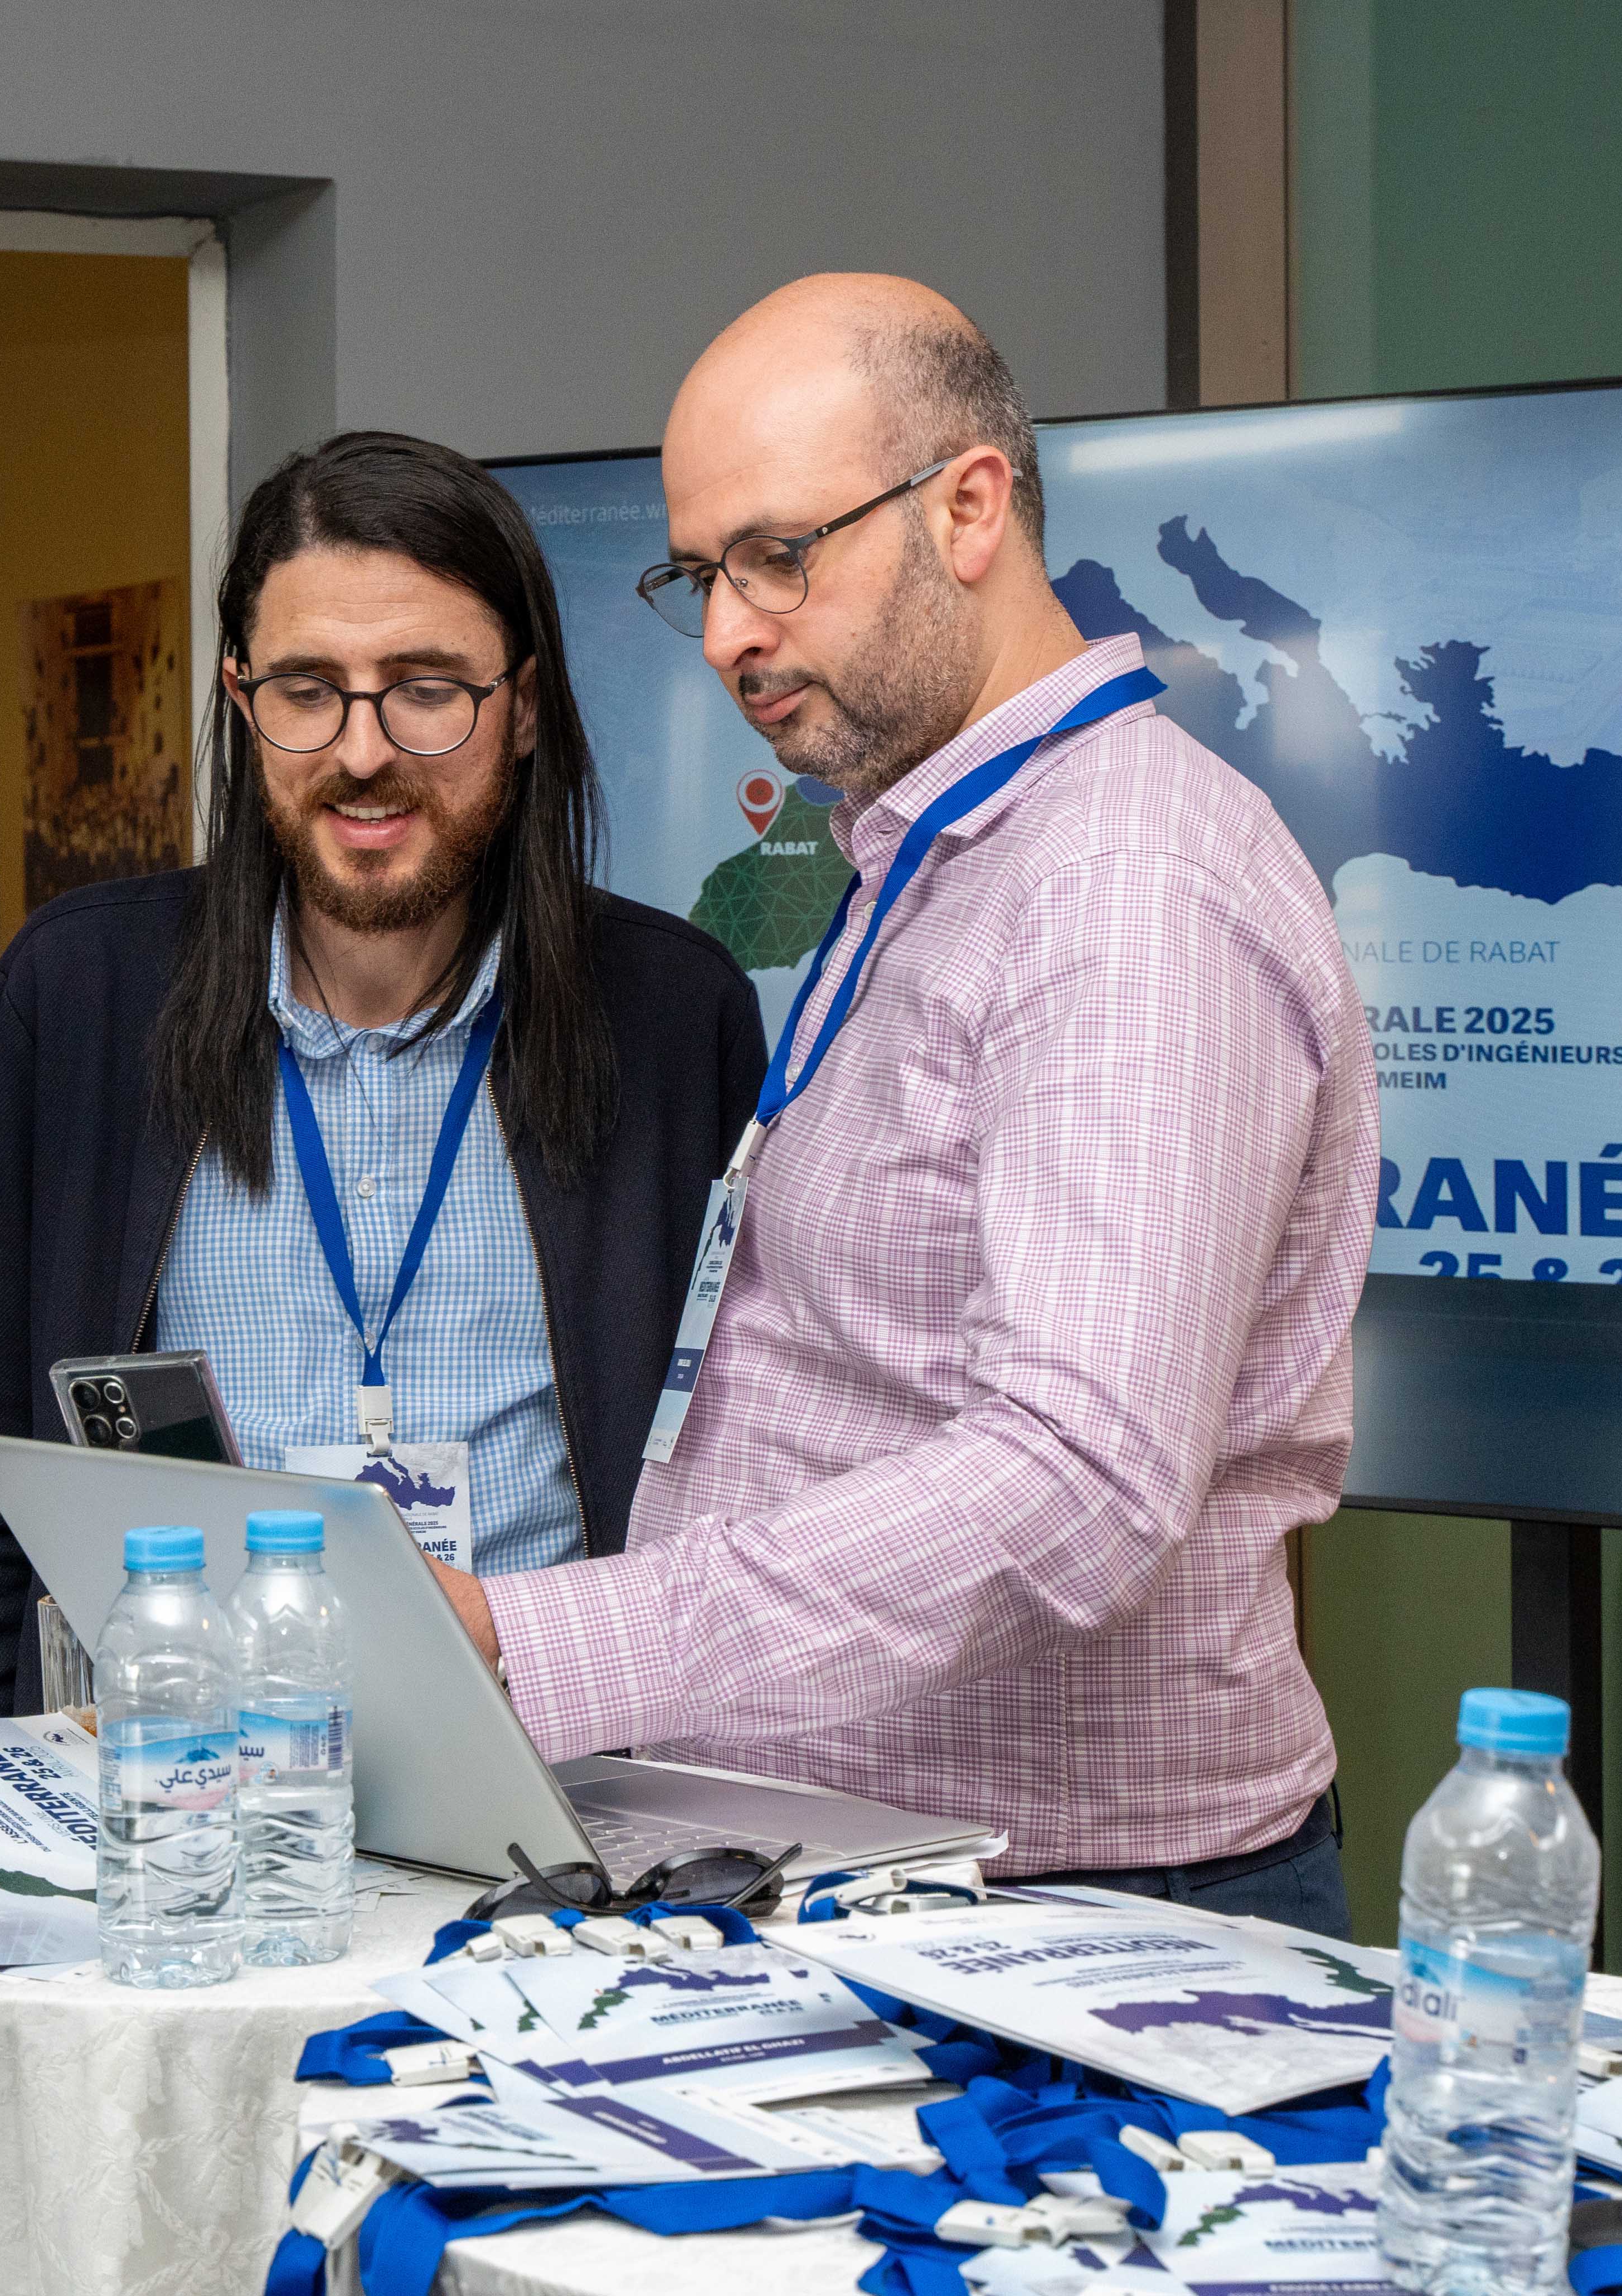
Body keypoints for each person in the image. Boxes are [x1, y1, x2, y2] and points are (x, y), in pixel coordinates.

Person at [435, 277, 1379, 1935]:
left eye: (775, 556)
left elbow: (1076, 1474)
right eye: (699, 575)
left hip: (1074, 1918)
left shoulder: (1122, 886)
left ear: (968, 508)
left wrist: (547, 1640)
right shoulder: (939, 851)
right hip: (882, 1872)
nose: (725, 635)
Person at [0, 431, 768, 1718]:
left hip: (557, 1776)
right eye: (308, 688)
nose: (362, 750)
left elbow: (738, 1465)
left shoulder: (673, 1016)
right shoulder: (80, 997)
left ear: (524, 707)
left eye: (425, 687)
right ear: (242, 699)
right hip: (172, 1772)